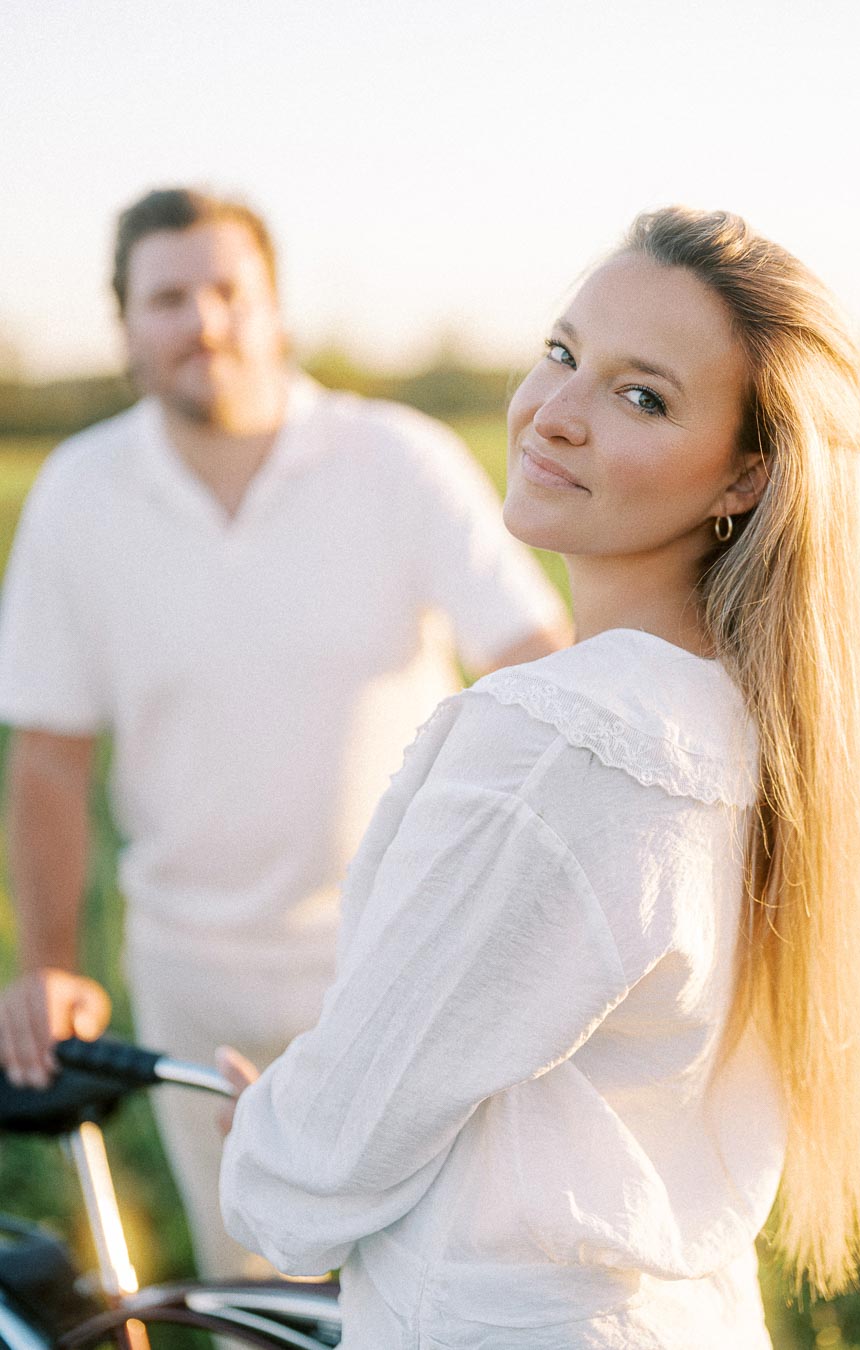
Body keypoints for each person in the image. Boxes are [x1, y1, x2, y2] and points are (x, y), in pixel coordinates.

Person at [220, 207, 860, 1349]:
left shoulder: (567, 743)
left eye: (643, 397)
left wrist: (270, 1139)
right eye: (563, 352)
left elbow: (324, 1167)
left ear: (743, 477)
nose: (554, 414)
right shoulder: (757, 729)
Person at [0, 187, 569, 1279]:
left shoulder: (396, 459)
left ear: (278, 315)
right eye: (168, 297)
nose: (203, 322)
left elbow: (536, 667)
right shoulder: (80, 493)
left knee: (434, 1285)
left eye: (228, 291)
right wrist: (49, 968)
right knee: (255, 1289)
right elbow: (49, 758)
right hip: (192, 973)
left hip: (406, 957)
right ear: (125, 327)